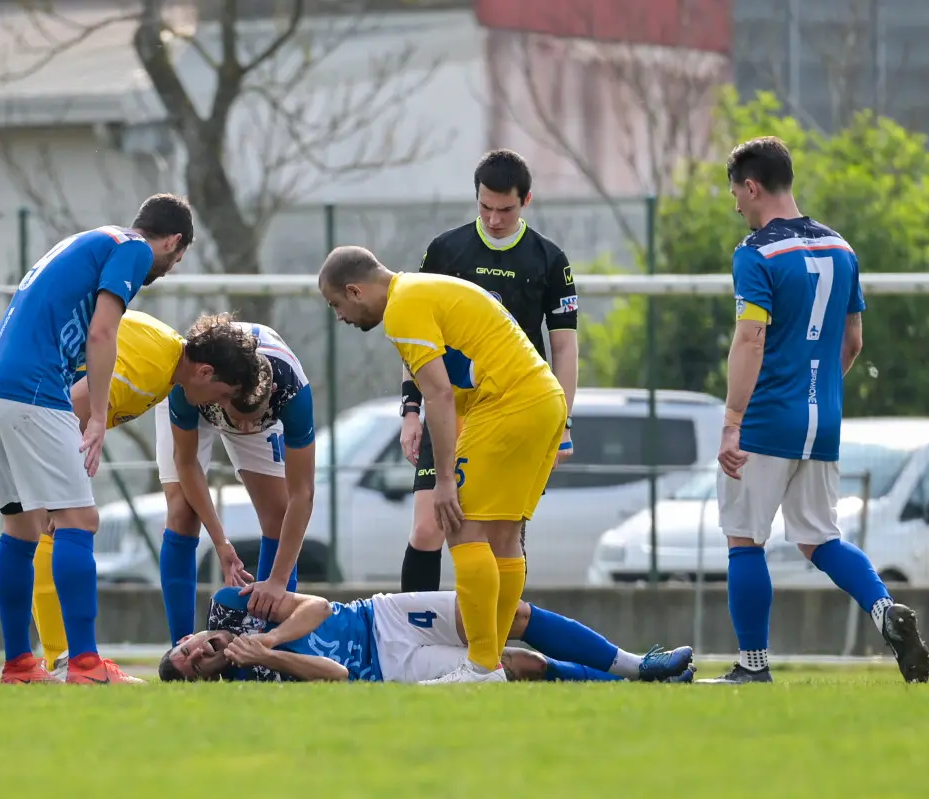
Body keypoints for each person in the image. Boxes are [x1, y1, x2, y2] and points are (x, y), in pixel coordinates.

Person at [700, 137, 929, 685]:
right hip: (822, 419)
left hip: (764, 420)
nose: (736, 204)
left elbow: (750, 339)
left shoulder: (755, 253)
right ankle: (883, 610)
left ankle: (753, 668)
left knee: (744, 539)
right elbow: (852, 341)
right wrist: (816, 394)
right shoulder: (842, 249)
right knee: (820, 539)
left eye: (736, 192)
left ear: (751, 187)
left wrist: (733, 421)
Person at [0, 194, 197, 685]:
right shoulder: (134, 249)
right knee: (79, 519)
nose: (170, 269)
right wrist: (96, 416)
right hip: (33, 390)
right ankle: (87, 665)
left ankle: (19, 664)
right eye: (177, 260)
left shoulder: (90, 239)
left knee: (21, 527)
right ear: (174, 242)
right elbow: (102, 334)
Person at [318, 247, 566, 684]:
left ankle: (480, 665)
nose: (340, 316)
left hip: (508, 403)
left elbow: (439, 396)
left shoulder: (402, 308)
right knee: (505, 535)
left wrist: (446, 477)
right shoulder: (425, 289)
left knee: (459, 523)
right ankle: (488, 663)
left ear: (356, 290)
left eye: (337, 304)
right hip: (545, 399)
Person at [17, 310, 268, 679]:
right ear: (205, 373)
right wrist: (56, 486)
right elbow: (71, 406)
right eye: (224, 393)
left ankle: (39, 662)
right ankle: (68, 663)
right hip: (27, 405)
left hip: (16, 396)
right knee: (64, 525)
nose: (219, 404)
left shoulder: (165, 361)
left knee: (32, 532)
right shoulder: (153, 370)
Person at [399, 149, 579, 593]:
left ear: (527, 201)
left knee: (503, 537)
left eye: (505, 209)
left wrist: (564, 423)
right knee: (427, 528)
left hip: (511, 412)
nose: (494, 219)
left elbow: (564, 347)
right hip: (450, 406)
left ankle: (489, 649)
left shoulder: (550, 260)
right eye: (485, 207)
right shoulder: (445, 250)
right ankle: (410, 645)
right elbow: (415, 337)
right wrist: (409, 410)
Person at [158, 585, 695, 684]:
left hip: (381, 617)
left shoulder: (231, 609)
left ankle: (633, 664)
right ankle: (638, 683)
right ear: (206, 677)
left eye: (188, 647)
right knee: (514, 667)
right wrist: (273, 663)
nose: (201, 652)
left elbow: (317, 605)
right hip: (391, 669)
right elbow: (340, 675)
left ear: (189, 636)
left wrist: (271, 642)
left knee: (509, 613)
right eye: (196, 665)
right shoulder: (250, 685)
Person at [154, 322, 316, 644]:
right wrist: (221, 543)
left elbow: (303, 493)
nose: (242, 429)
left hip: (241, 397)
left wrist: (278, 581)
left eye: (253, 420)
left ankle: (269, 647)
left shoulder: (293, 394)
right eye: (237, 418)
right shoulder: (190, 380)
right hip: (202, 398)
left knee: (278, 515)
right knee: (183, 513)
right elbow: (186, 464)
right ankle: (181, 651)